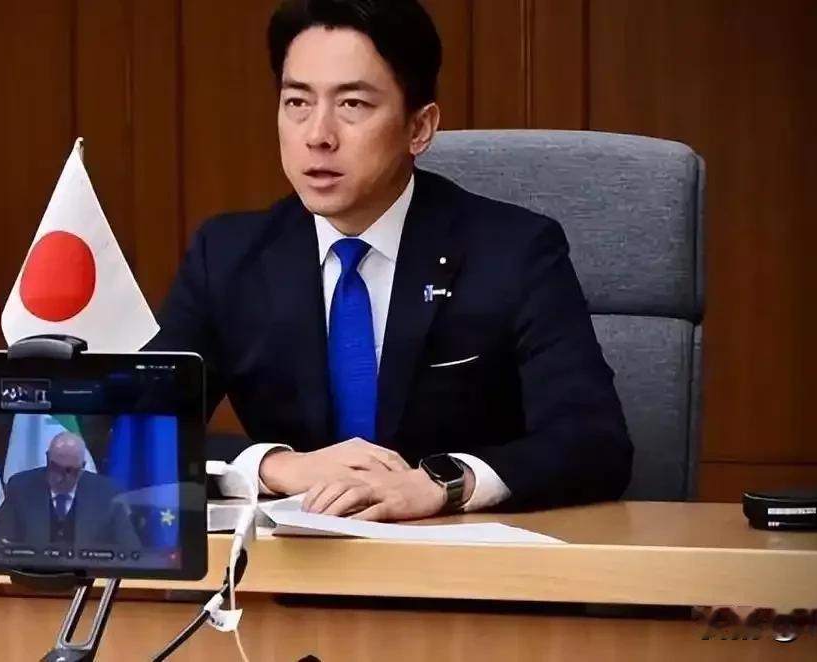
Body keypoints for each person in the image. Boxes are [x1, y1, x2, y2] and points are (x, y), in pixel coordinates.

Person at [147, 0, 632, 520]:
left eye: (352, 104)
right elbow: (130, 426)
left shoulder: (515, 251)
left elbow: (593, 441)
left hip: (461, 556)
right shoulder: (228, 256)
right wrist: (274, 466)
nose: (317, 135)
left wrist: (445, 482)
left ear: (419, 128)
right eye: (297, 102)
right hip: (291, 560)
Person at [0, 432, 141, 549]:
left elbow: (131, 549)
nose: (59, 477)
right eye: (54, 467)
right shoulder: (21, 486)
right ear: (47, 458)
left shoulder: (107, 492)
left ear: (82, 467)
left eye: (69, 471)